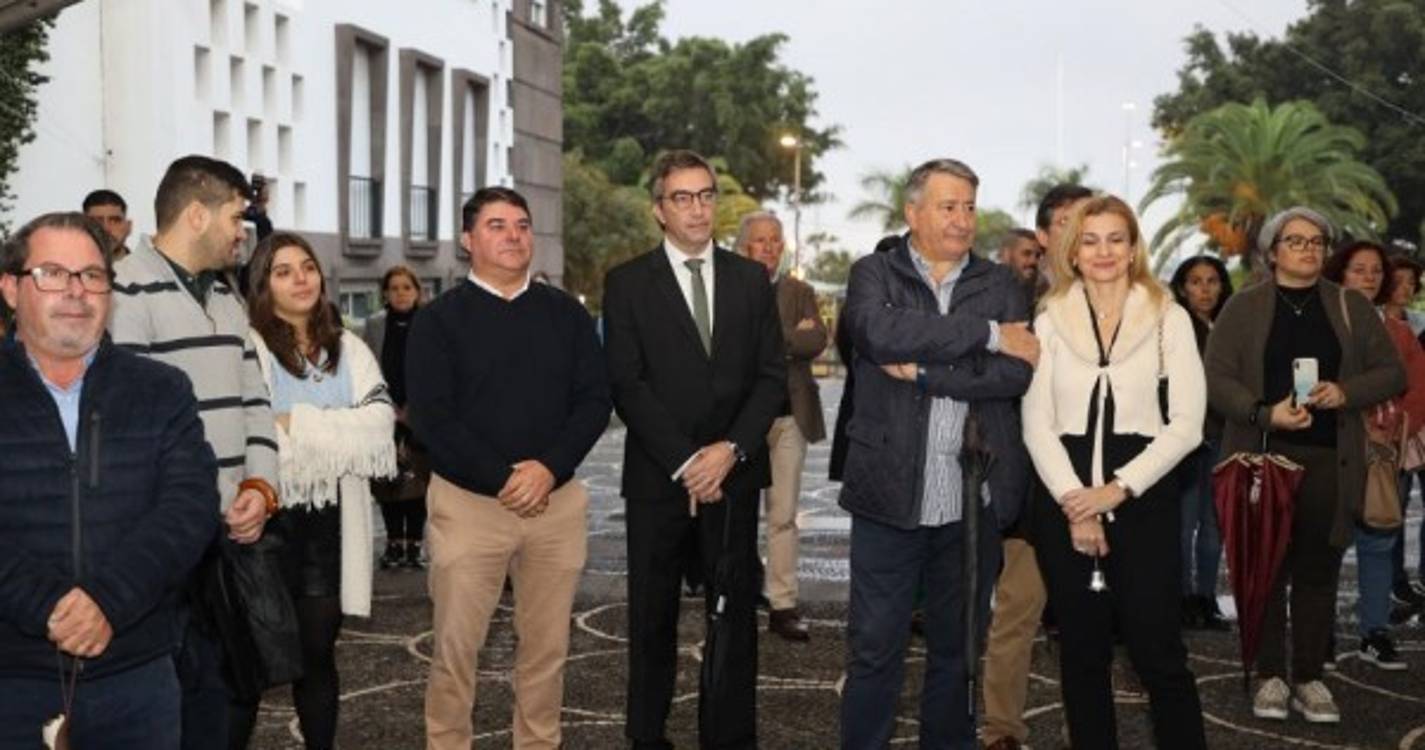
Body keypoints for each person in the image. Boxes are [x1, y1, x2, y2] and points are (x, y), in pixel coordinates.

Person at [838, 158, 1039, 749]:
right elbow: (877, 335)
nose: (962, 220)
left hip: (970, 503)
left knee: (957, 650)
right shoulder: (873, 272)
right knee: (875, 647)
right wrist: (987, 335)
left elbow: (1014, 377)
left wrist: (927, 374)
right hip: (886, 495)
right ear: (913, 212)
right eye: (948, 207)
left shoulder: (1001, 283)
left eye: (970, 207)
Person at [0, 212, 219, 748]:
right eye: (52, 273)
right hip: (11, 675)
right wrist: (46, 606)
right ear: (10, 288)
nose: (76, 291)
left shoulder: (161, 390)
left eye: (93, 276)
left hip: (137, 674)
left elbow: (189, 508)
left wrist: (108, 601)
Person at [408, 187, 610, 750]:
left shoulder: (566, 313)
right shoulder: (437, 322)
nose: (514, 236)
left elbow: (595, 400)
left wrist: (548, 468)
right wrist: (503, 477)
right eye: (497, 225)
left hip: (556, 504)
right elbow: (432, 418)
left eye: (522, 225)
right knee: (455, 649)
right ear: (468, 241)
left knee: (547, 651)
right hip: (470, 507)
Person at [603, 149, 785, 750]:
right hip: (659, 479)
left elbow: (771, 378)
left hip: (733, 479)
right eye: (682, 197)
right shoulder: (626, 283)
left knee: (734, 620)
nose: (698, 208)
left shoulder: (751, 279)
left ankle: (729, 738)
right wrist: (687, 461)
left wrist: (729, 451)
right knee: (651, 622)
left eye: (706, 194)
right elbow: (627, 385)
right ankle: (647, 738)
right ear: (659, 209)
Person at [1021, 194, 1208, 748]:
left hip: (1143, 497)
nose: (1103, 251)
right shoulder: (1049, 318)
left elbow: (1188, 425)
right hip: (1065, 497)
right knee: (1081, 655)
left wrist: (1116, 490)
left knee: (1159, 655)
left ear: (1133, 250)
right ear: (1073, 252)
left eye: (1115, 239)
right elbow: (1037, 423)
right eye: (1089, 239)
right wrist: (1078, 501)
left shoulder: (1167, 316)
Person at [1206, 207, 1403, 724]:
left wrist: (1346, 391)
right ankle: (1270, 675)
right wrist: (1262, 412)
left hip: (1329, 461)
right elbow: (1216, 377)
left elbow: (1391, 372)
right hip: (1261, 457)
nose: (1308, 249)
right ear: (1273, 252)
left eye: (1316, 242)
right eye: (1295, 241)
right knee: (1265, 570)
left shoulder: (1350, 308)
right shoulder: (1243, 308)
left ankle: (1311, 677)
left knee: (1319, 571)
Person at [108, 155, 279, 748]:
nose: (243, 232)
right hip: (165, 550)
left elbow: (257, 404)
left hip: (231, 543)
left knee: (228, 696)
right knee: (169, 703)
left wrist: (260, 488)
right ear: (198, 213)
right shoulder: (124, 294)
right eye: (237, 217)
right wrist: (198, 510)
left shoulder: (228, 301)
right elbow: (134, 432)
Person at [232, 232, 396, 747]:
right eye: (283, 271)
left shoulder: (349, 347)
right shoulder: (247, 346)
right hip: (265, 522)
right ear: (263, 284)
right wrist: (336, 426)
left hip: (328, 527)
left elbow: (379, 426)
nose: (301, 279)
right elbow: (251, 433)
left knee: (317, 658)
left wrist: (294, 423)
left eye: (307, 267)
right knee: (250, 662)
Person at [980, 183, 1091, 750]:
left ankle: (1088, 728)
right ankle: (1002, 728)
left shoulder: (1122, 299)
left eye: (1090, 221)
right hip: (1027, 482)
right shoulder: (1009, 295)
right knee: (1017, 612)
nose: (1081, 234)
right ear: (1045, 236)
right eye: (1068, 222)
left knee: (1087, 621)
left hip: (1096, 485)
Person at [1322, 240, 1425, 670]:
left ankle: (1375, 632)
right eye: (1358, 269)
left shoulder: (1399, 330)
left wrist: (1398, 430)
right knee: (1323, 541)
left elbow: (1418, 388)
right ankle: (1317, 634)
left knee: (1379, 541)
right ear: (1339, 274)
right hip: (1327, 446)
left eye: (1375, 271)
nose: (1368, 277)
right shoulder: (1320, 322)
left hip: (1383, 450)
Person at [735, 211, 828, 642]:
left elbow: (816, 341)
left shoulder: (800, 290)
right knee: (736, 513)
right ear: (743, 246)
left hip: (790, 416)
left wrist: (772, 339)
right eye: (760, 240)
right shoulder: (728, 287)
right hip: (739, 419)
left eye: (775, 239)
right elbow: (731, 345)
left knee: (783, 514)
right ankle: (739, 588)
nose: (770, 247)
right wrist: (790, 336)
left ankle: (782, 603)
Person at [1168, 255, 1235, 631]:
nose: (1205, 289)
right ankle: (1182, 598)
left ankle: (1207, 598)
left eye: (1212, 281)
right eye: (1196, 281)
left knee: (1214, 524)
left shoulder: (1231, 325)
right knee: (1183, 523)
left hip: (1224, 435)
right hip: (1187, 439)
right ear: (1182, 287)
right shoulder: (1174, 325)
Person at [363, 265, 431, 569]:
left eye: (407, 287)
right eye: (394, 288)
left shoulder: (431, 323)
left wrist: (411, 412)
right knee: (386, 482)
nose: (401, 293)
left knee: (418, 481)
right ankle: (393, 543)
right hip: (383, 414)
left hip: (421, 416)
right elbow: (366, 370)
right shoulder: (374, 325)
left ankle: (415, 544)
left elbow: (437, 372)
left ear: (417, 292)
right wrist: (386, 409)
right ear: (385, 294)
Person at [1384, 255, 1425, 612]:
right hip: (1393, 431)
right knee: (1389, 509)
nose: (1405, 287)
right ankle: (1393, 581)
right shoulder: (1374, 325)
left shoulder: (1421, 324)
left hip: (1423, 429)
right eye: (1398, 279)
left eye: (1412, 281)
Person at [82, 188, 134, 261]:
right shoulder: (64, 267)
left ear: (128, 227)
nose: (106, 228)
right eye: (96, 222)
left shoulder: (149, 270)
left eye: (115, 221)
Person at [997, 228, 1044, 297]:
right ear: (1006, 255)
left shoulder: (1042, 292)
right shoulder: (986, 292)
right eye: (1026, 254)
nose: (1033, 261)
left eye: (1037, 256)